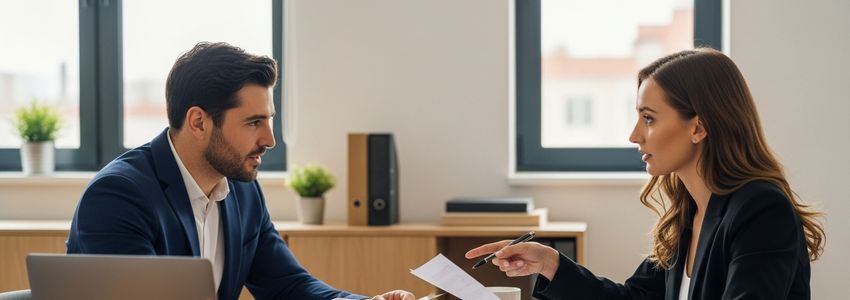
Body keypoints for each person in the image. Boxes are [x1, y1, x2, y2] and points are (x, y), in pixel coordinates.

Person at [465, 48, 826, 299]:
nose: (634, 135)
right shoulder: (691, 212)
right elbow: (634, 298)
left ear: (698, 128)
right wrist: (550, 263)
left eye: (649, 118)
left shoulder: (761, 210)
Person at [67, 42, 414, 300]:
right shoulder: (118, 196)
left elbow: (288, 285)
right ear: (199, 122)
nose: (270, 140)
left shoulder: (243, 191)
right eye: (253, 122)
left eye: (269, 120)